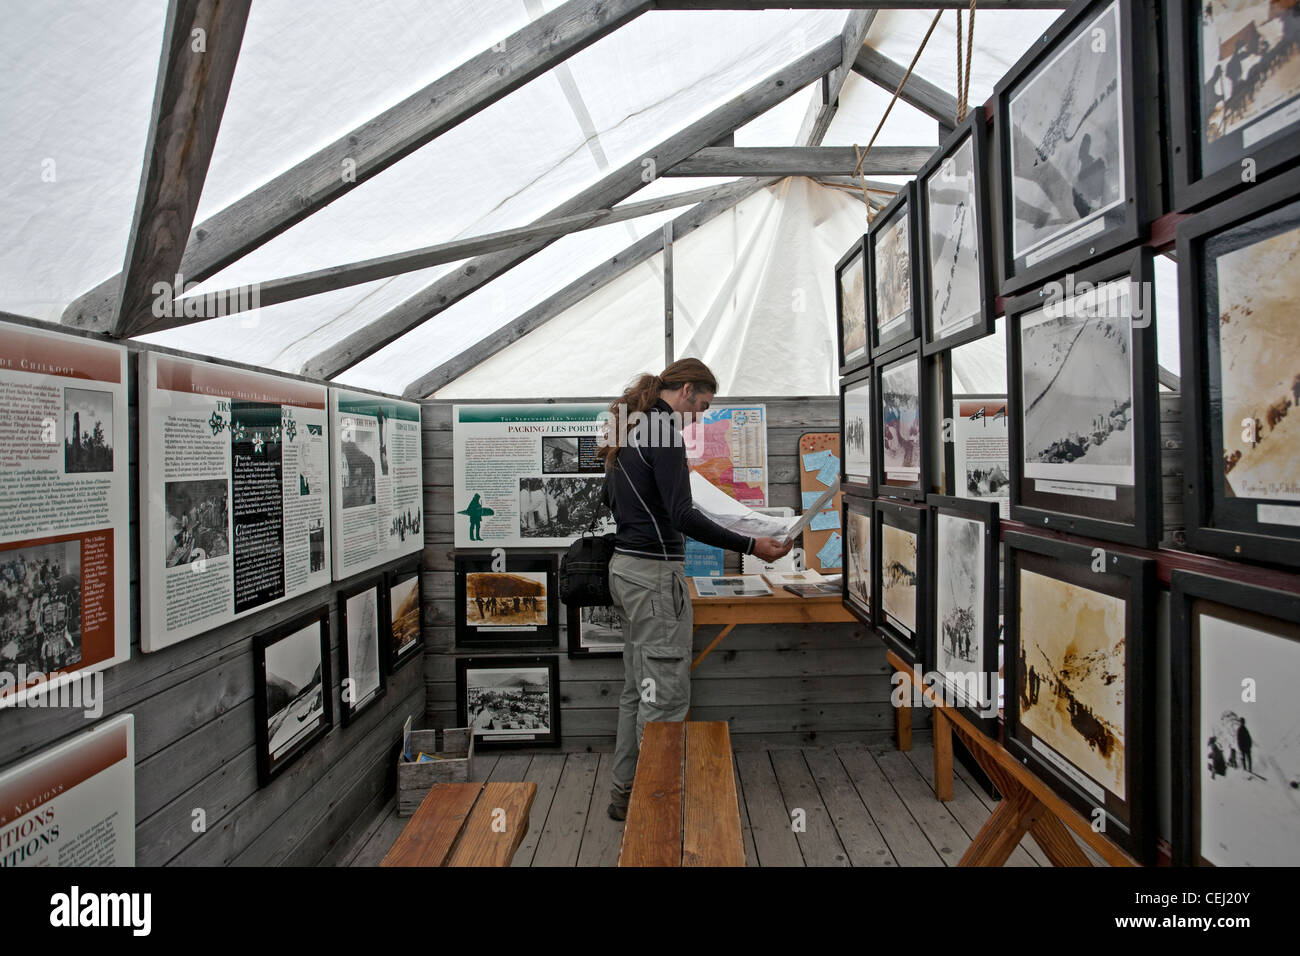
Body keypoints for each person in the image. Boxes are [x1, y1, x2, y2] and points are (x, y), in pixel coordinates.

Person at [599, 359, 792, 821]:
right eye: (702, 406)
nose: (700, 419)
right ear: (685, 390)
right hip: (653, 577)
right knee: (662, 696)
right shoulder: (664, 430)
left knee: (635, 690)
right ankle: (656, 809)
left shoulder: (631, 427)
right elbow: (683, 515)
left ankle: (626, 794)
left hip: (625, 570)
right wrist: (750, 543)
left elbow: (612, 499)